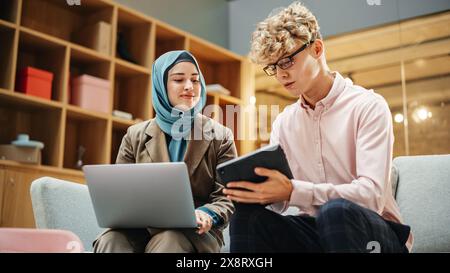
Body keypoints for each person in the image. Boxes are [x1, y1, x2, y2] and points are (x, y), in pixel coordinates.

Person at [224, 2, 412, 253]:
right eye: (273, 67)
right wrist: (257, 192)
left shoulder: (368, 106)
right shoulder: (284, 122)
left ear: (317, 48)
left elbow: (371, 197)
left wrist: (294, 190)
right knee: (248, 217)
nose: (280, 75)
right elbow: (280, 202)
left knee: (335, 211)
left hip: (374, 234)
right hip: (314, 231)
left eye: (287, 61)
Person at [94, 50, 236, 253]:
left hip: (196, 234)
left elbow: (227, 195)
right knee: (111, 239)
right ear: (161, 85)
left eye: (195, 80)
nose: (189, 87)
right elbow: (122, 193)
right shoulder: (134, 135)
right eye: (179, 79)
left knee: (169, 240)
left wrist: (207, 214)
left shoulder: (220, 135)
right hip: (142, 229)